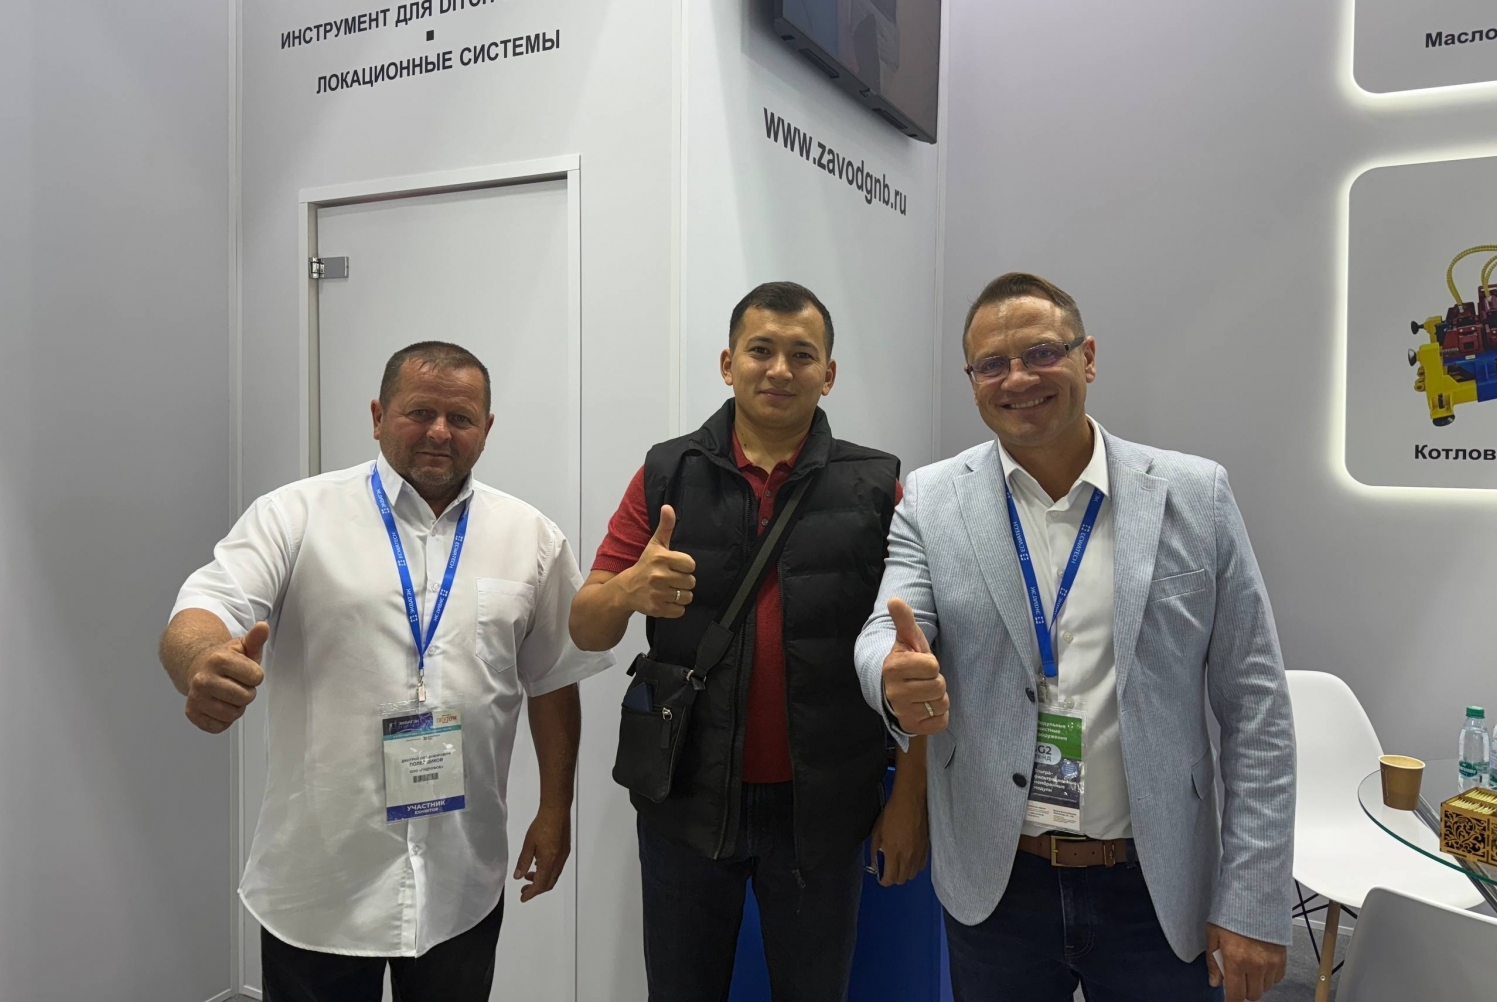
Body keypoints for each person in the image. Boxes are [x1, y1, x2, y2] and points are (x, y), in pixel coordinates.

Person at [855, 273, 1295, 1002]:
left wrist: (1253, 896)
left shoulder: (1196, 495)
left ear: (1087, 356)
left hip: (1155, 884)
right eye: (992, 364)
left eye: (1041, 353)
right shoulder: (933, 499)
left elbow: (1258, 708)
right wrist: (888, 676)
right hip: (999, 884)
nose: (1018, 378)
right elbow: (885, 628)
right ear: (972, 381)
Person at [159, 341, 613, 1002]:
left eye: (461, 418)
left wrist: (554, 807)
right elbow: (205, 606)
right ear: (377, 416)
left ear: (487, 428)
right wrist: (201, 659)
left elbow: (551, 678)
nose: (439, 431)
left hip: (461, 880)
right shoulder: (295, 515)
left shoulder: (532, 537)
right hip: (319, 885)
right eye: (419, 411)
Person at [569, 282, 928, 1002]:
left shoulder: (876, 484)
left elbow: (914, 658)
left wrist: (909, 798)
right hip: (685, 797)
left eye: (802, 354)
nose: (780, 369)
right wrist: (629, 589)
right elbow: (585, 625)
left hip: (823, 808)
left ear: (829, 373)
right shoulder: (668, 471)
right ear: (728, 363)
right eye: (761, 350)